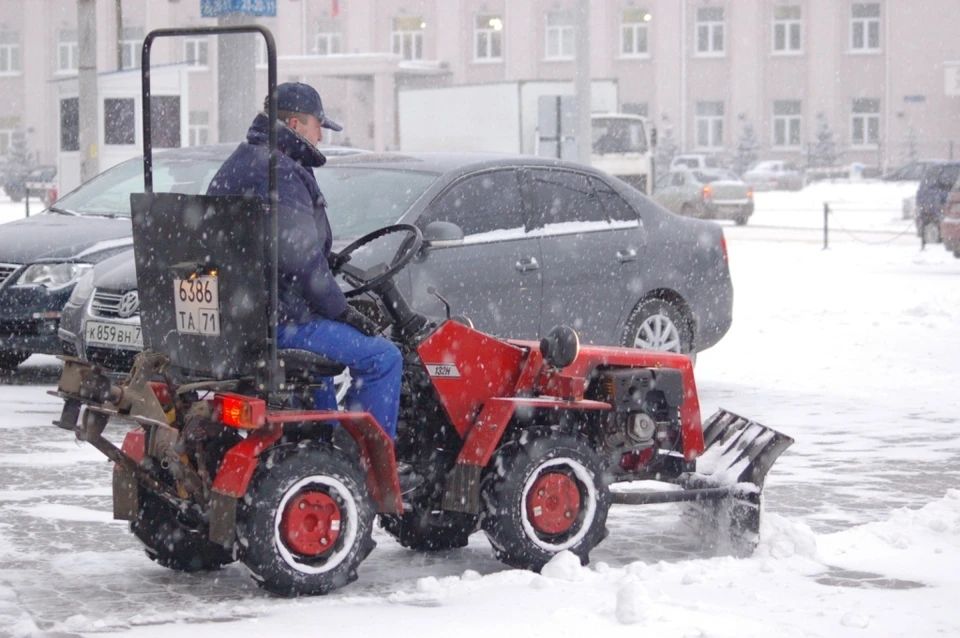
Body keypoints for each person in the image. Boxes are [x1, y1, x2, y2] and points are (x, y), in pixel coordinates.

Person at [206, 83, 410, 477]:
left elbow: (276, 246)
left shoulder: (243, 162)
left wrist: (323, 259)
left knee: (321, 371)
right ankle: (364, 467)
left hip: (242, 318)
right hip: (277, 323)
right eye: (319, 126)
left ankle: (322, 454)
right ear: (296, 124)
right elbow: (300, 262)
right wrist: (342, 310)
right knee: (384, 357)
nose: (321, 136)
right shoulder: (279, 170)